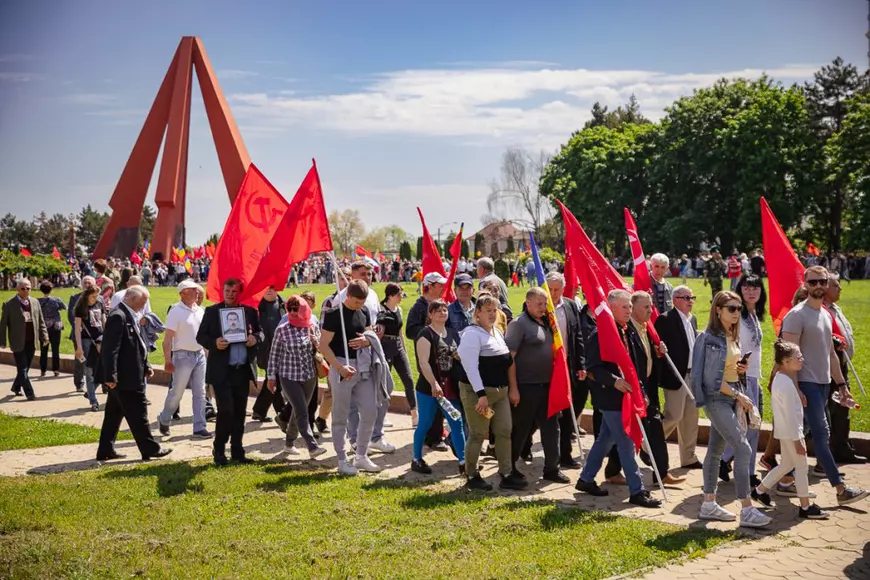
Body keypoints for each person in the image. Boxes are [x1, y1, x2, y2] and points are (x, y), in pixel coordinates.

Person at [780, 266, 868, 505]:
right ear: (805, 284)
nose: (818, 285)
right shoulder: (796, 315)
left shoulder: (826, 315)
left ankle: (779, 480)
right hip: (805, 384)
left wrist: (841, 385)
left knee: (800, 433)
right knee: (822, 434)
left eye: (822, 281)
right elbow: (788, 358)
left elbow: (831, 354)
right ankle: (840, 489)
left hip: (824, 384)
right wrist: (796, 389)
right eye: (813, 281)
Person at [574, 290, 661, 509]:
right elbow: (593, 369)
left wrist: (641, 391)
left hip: (629, 395)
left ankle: (585, 479)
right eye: (624, 307)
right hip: (609, 396)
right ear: (611, 308)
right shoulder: (600, 334)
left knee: (606, 439)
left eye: (630, 307)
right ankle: (637, 491)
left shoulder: (627, 332)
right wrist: (614, 381)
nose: (628, 311)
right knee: (625, 441)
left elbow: (634, 368)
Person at [692, 291, 771, 528]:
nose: (737, 313)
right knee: (743, 448)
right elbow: (710, 381)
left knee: (715, 451)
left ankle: (708, 504)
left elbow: (727, 371)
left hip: (731, 397)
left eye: (738, 308)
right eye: (731, 308)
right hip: (717, 400)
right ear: (718, 310)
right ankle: (746, 508)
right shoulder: (709, 338)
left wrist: (741, 369)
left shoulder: (731, 336)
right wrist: (740, 395)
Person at [752, 340, 829, 520]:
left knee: (787, 465)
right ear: (786, 362)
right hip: (791, 433)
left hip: (786, 432)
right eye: (798, 357)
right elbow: (790, 415)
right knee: (801, 467)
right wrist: (798, 439)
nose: (801, 359)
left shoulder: (781, 379)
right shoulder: (785, 384)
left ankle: (759, 491)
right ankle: (805, 507)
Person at [458, 294, 525, 492]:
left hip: (500, 393)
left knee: (504, 431)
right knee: (478, 434)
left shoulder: (496, 332)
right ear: (477, 313)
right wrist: (481, 395)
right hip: (479, 395)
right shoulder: (471, 334)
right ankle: (471, 475)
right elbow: (470, 367)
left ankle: (506, 473)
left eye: (495, 310)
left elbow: (507, 362)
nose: (492, 314)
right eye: (488, 310)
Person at [96, 286, 171, 462]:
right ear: (131, 299)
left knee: (113, 414)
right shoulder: (118, 316)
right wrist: (110, 377)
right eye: (143, 301)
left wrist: (146, 364)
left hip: (131, 373)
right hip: (125, 377)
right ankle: (150, 449)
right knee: (139, 412)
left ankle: (105, 449)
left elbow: (137, 345)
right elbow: (110, 350)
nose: (144, 305)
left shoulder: (129, 314)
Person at [196, 278, 262, 466]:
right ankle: (219, 449)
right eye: (227, 291)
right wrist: (214, 343)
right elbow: (201, 336)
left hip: (242, 371)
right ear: (222, 291)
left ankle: (237, 450)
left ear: (239, 292)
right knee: (226, 410)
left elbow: (261, 333)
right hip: (221, 372)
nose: (230, 294)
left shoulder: (249, 312)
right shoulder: (212, 312)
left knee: (240, 412)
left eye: (234, 292)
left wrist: (254, 338)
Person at [506, 287, 568, 484]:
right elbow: (510, 359)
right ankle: (509, 468)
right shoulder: (519, 324)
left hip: (547, 386)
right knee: (521, 429)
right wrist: (513, 388)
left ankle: (552, 468)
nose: (543, 308)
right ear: (528, 303)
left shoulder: (548, 323)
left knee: (552, 428)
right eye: (539, 304)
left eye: (545, 304)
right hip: (526, 387)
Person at [320, 279, 382, 475]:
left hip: (362, 367)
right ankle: (341, 459)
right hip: (341, 367)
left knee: (370, 411)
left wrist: (367, 339)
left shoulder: (363, 311)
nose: (359, 305)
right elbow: (323, 345)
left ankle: (361, 456)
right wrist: (338, 368)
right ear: (347, 296)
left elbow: (367, 332)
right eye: (356, 302)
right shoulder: (333, 315)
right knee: (340, 416)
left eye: (362, 302)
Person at [630, 291, 685, 486]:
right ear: (633, 307)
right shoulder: (626, 330)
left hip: (649, 388)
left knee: (656, 428)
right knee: (616, 435)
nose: (650, 310)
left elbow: (649, 360)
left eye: (651, 306)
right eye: (645, 307)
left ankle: (661, 473)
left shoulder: (648, 329)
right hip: (631, 391)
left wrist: (658, 353)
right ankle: (610, 470)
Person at [267, 295, 326, 460]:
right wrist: (271, 378)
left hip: (309, 376)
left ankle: (288, 443)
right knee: (302, 410)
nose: (292, 312)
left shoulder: (311, 326)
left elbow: (322, 348)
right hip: (289, 376)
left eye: (296, 308)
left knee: (297, 411)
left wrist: (316, 342)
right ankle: (312, 445)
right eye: (289, 309)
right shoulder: (282, 329)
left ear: (303, 309)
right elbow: (274, 355)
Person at [411, 300, 466, 475]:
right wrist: (433, 384)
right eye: (438, 310)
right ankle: (416, 459)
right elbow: (423, 363)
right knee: (425, 423)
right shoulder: (425, 334)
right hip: (429, 389)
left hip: (449, 388)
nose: (442, 312)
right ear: (431, 314)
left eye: (444, 309)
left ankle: (464, 461)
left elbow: (459, 354)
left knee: (456, 421)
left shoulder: (452, 332)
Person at [720, 275, 766, 485]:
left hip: (754, 377)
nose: (751, 292)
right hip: (740, 378)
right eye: (747, 288)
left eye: (756, 288)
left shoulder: (755, 315)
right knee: (748, 425)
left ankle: (731, 463)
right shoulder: (737, 315)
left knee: (751, 425)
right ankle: (738, 468)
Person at [654, 285, 702, 469]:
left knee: (691, 418)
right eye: (686, 298)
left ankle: (688, 457)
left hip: (692, 374)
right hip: (675, 376)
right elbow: (657, 349)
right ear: (675, 300)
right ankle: (648, 445)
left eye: (692, 297)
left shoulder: (693, 319)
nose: (690, 301)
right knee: (674, 416)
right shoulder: (665, 319)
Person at [156, 280, 211, 439]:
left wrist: (208, 355)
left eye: (197, 290)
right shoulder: (175, 311)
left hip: (199, 355)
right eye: (193, 290)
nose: (198, 292)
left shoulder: (200, 311)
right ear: (183, 293)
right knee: (177, 393)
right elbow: (167, 340)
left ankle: (200, 427)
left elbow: (204, 337)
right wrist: (168, 360)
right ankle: (165, 419)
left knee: (200, 392)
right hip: (182, 356)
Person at [545, 272, 587, 468]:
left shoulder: (570, 305)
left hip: (568, 365)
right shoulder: (540, 304)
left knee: (570, 411)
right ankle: (526, 446)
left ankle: (565, 455)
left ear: (563, 288)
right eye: (550, 289)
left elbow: (577, 335)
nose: (553, 293)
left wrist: (581, 364)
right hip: (547, 368)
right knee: (548, 413)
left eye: (557, 289)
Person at [824, 275, 865, 464]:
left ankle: (843, 448)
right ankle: (830, 451)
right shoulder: (822, 311)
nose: (840, 288)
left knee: (843, 406)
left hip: (842, 363)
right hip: (829, 366)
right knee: (832, 409)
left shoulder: (835, 307)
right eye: (836, 285)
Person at [406, 271, 449, 450]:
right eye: (439, 284)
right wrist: (429, 331)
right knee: (432, 393)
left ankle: (437, 432)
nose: (443, 287)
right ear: (429, 286)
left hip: (442, 357)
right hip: (426, 358)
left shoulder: (440, 304)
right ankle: (433, 437)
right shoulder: (419, 306)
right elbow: (410, 331)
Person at [0, 278, 48, 400]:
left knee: (25, 368)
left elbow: (41, 321)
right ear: (17, 289)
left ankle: (16, 387)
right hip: (17, 341)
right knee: (22, 368)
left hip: (32, 340)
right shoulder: (9, 304)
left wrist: (44, 336)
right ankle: (30, 393)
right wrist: (2, 341)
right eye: (23, 288)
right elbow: (3, 324)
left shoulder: (35, 302)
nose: (26, 290)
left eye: (28, 288)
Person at [377, 283, 418, 425]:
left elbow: (400, 332)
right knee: (385, 382)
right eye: (399, 294)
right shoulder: (381, 310)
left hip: (398, 347)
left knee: (408, 379)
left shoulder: (399, 310)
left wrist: (404, 349)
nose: (401, 297)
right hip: (385, 346)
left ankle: (414, 414)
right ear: (390, 295)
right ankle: (382, 415)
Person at [250, 286, 287, 424]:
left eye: (272, 287)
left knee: (272, 379)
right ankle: (282, 414)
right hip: (265, 350)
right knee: (274, 379)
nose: (269, 290)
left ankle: (259, 411)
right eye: (266, 288)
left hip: (283, 349)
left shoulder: (284, 304)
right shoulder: (257, 307)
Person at [74, 286, 106, 412]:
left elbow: (104, 322)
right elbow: (77, 329)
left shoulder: (99, 304)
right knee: (89, 372)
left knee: (104, 369)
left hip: (101, 339)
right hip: (87, 341)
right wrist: (79, 347)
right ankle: (93, 401)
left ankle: (90, 391)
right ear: (87, 295)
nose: (95, 299)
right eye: (93, 296)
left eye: (97, 296)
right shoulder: (80, 308)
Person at [68, 276, 100, 393]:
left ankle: (101, 384)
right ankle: (79, 383)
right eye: (85, 283)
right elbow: (71, 315)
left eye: (89, 283)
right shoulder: (75, 298)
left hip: (96, 335)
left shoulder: (98, 299)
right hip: (79, 334)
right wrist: (80, 327)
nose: (87, 284)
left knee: (99, 360)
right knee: (80, 360)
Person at [37, 280, 65, 378]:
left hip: (43, 327)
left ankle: (43, 370)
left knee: (43, 349)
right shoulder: (56, 300)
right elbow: (64, 307)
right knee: (55, 349)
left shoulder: (38, 301)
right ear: (51, 289)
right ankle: (56, 369)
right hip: (56, 326)